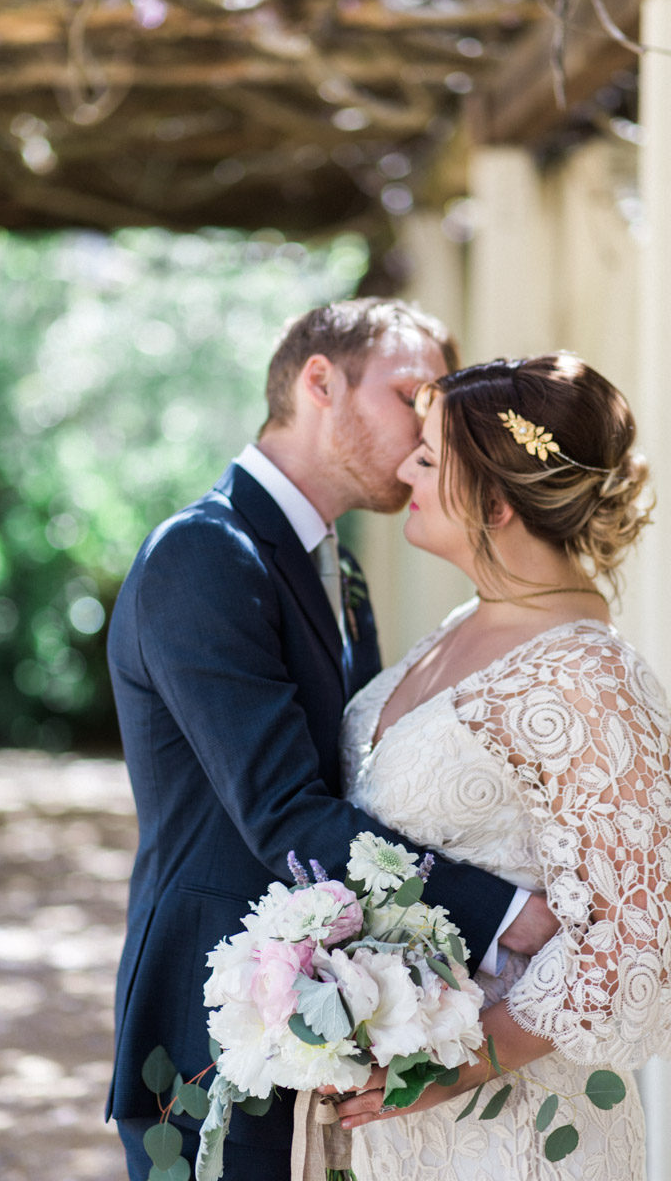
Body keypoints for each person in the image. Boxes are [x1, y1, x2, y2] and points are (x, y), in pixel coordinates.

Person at [106, 299, 555, 1181]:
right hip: (216, 1031)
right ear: (320, 382)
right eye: (410, 393)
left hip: (346, 1017)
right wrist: (501, 912)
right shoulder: (204, 554)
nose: (432, 425)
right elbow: (282, 809)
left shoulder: (336, 568)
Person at [331, 353, 671, 1179]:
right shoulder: (460, 624)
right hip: (392, 1120)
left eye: (431, 455)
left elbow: (637, 935)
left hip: (514, 1123)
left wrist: (460, 1064)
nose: (407, 462)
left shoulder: (589, 679)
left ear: (496, 501)